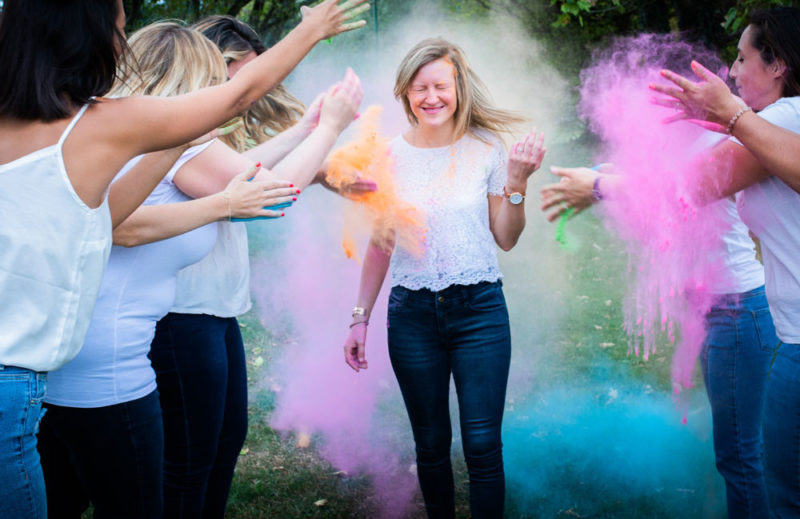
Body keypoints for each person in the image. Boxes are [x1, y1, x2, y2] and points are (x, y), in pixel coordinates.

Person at [0, 0, 368, 516]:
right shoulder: (101, 128)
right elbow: (240, 106)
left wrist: (215, 159)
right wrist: (313, 40)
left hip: (45, 374)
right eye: (117, 30)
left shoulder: (62, 135)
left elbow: (112, 223)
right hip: (80, 374)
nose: (120, 48)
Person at [129, 17, 369, 518]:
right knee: (191, 463)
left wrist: (305, 129)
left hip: (210, 316)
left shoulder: (184, 139)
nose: (233, 93)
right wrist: (328, 128)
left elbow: (244, 173)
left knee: (220, 444)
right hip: (181, 319)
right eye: (221, 77)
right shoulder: (173, 139)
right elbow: (271, 193)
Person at [577, 7, 799, 517]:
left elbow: (687, 190)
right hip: (782, 331)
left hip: (774, 328)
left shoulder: (783, 116)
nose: (735, 71)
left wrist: (594, 187)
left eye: (743, 59)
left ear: (778, 65)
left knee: (771, 482)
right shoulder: (773, 125)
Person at [342, 38, 545, 518]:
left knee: (481, 444)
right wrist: (359, 318)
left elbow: (507, 238)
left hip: (479, 313)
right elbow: (381, 243)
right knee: (431, 443)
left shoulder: (487, 149)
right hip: (411, 316)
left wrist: (516, 184)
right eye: (419, 89)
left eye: (440, 86)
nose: (431, 97)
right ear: (405, 95)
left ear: (459, 87)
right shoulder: (388, 156)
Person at [652, 62, 800, 193]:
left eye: (742, 59)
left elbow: (687, 187)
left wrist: (732, 115)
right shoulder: (779, 115)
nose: (732, 72)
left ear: (776, 67)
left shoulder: (787, 114)